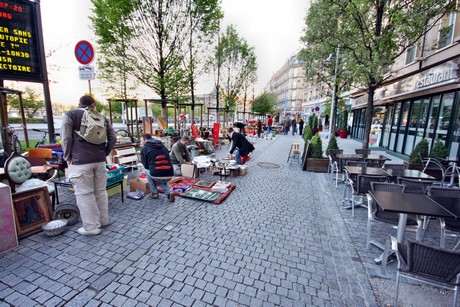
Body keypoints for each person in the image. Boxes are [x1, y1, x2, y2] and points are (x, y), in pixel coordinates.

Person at [61, 95, 117, 236]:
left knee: (85, 194)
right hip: (99, 161)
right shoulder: (101, 117)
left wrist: (67, 156)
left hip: (80, 162)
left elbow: (66, 138)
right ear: (93, 104)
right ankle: (104, 221)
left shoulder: (71, 115)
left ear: (78, 103)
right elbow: (113, 138)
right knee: (100, 191)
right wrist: (104, 153)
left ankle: (92, 227)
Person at [140, 134, 175, 202]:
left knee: (148, 171)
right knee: (159, 179)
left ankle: (154, 192)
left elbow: (146, 166)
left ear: (146, 140)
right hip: (170, 173)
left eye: (141, 141)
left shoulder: (144, 149)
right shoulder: (162, 146)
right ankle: (168, 193)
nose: (140, 143)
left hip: (157, 174)